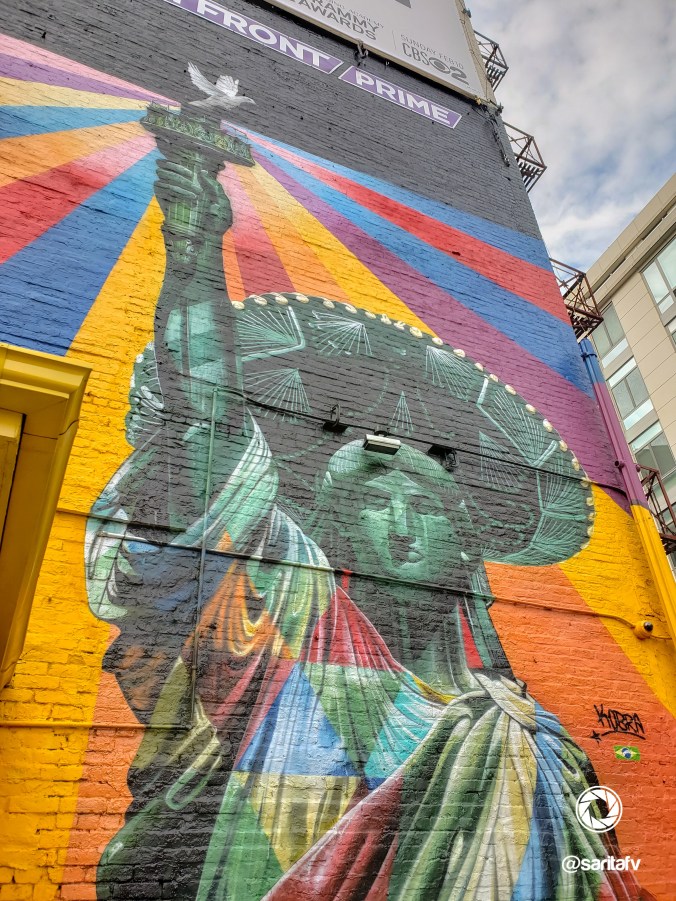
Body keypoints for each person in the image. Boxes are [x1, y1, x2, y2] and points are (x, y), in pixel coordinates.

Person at [86, 155, 644, 900]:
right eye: (373, 501)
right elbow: (204, 424)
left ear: (468, 548)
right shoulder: (300, 637)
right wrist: (194, 251)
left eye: (428, 504)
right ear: (330, 532)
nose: (404, 524)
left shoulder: (542, 740)